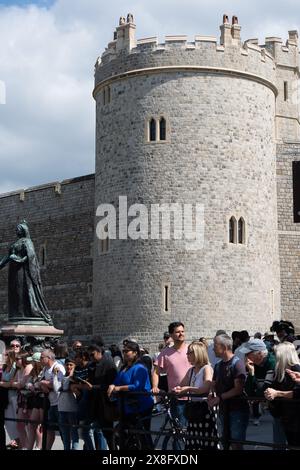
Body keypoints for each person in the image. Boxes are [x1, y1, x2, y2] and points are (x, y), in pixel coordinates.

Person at [0, 221, 53, 325]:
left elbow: (31, 256)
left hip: (23, 273)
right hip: (14, 273)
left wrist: (18, 259)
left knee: (22, 291)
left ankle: (29, 313)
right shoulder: (15, 244)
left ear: (23, 230)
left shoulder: (27, 242)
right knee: (15, 293)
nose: (16, 231)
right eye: (16, 229)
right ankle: (18, 314)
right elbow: (8, 256)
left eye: (18, 229)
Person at [108, 340, 154, 450]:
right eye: (123, 351)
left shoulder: (140, 368)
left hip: (141, 406)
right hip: (127, 406)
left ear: (135, 353)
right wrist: (112, 385)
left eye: (127, 351)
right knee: (127, 435)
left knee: (143, 436)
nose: (124, 353)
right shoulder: (124, 368)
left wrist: (119, 388)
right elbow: (117, 381)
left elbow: (137, 386)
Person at [173, 341, 218, 450]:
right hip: (193, 409)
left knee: (206, 442)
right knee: (194, 443)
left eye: (190, 353)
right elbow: (181, 385)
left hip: (204, 409)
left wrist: (188, 389)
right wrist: (177, 389)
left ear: (198, 353)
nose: (187, 355)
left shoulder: (207, 368)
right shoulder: (191, 370)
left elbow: (205, 388)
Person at [208, 334, 249, 450]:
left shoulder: (237, 364)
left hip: (237, 410)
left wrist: (219, 398)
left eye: (215, 345)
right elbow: (213, 383)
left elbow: (238, 389)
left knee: (236, 443)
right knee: (225, 441)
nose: (213, 348)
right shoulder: (218, 365)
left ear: (224, 347)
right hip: (224, 409)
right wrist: (211, 393)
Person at [152, 322, 190, 429]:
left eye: (182, 331)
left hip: (194, 396)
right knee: (179, 430)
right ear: (171, 335)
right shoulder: (165, 353)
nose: (181, 334)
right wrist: (155, 386)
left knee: (194, 433)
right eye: (177, 332)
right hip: (177, 397)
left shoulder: (191, 349)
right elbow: (155, 372)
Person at [264, 342, 300, 447]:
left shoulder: (296, 369)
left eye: (276, 354)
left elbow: (297, 393)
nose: (274, 357)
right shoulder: (279, 370)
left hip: (296, 418)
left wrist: (277, 393)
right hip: (286, 416)